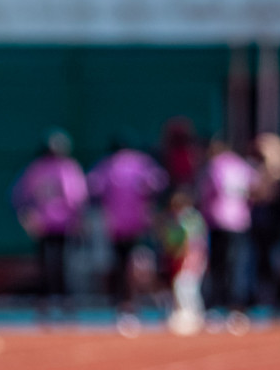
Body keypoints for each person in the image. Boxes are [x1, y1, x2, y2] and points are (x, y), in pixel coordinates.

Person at [87, 136, 169, 327]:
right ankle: (156, 300)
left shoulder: (107, 165)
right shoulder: (142, 162)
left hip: (115, 225)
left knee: (121, 264)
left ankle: (125, 304)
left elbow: (93, 187)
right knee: (144, 263)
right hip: (140, 223)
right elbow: (158, 183)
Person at [12, 130, 88, 320]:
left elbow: (77, 197)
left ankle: (62, 302)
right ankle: (48, 302)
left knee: (61, 264)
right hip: (45, 224)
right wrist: (28, 218)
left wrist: (78, 219)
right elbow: (21, 197)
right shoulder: (42, 168)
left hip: (61, 224)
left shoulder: (64, 167)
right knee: (48, 265)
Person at [197, 136, 257, 331]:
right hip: (239, 222)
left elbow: (206, 192)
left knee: (217, 266)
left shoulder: (214, 166)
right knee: (238, 265)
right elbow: (253, 190)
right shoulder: (242, 166)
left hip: (217, 221)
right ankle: (237, 308)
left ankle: (214, 308)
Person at [248, 133, 280, 319]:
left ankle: (279, 302)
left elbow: (268, 195)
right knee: (261, 264)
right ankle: (263, 300)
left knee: (278, 266)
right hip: (259, 227)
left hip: (279, 228)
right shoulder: (256, 172)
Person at [161, 189, 208, 335]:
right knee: (184, 286)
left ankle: (192, 315)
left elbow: (193, 241)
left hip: (193, 258)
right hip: (187, 258)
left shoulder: (190, 219)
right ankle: (189, 314)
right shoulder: (180, 220)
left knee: (185, 285)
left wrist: (189, 258)